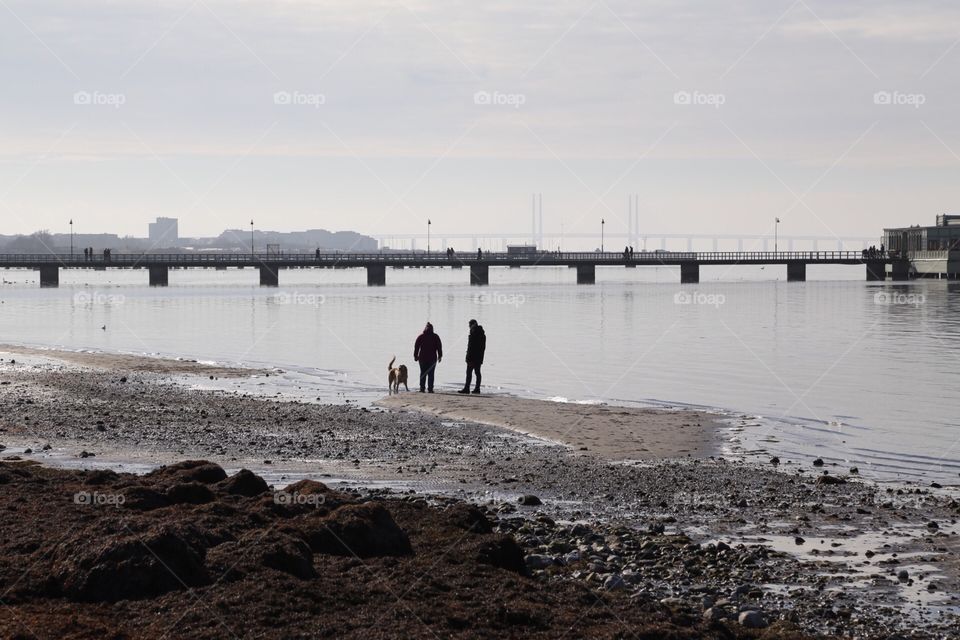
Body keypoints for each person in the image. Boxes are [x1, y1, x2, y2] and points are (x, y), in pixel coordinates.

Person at [413, 322, 443, 393]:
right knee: (431, 374)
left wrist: (415, 356)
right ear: (432, 329)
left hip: (422, 358)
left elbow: (416, 347)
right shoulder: (436, 337)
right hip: (432, 359)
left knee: (423, 373)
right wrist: (440, 356)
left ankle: (422, 388)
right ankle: (430, 389)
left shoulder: (421, 336)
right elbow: (439, 347)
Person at [458, 319, 486, 395]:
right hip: (479, 357)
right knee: (477, 373)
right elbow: (482, 348)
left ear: (472, 325)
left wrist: (468, 358)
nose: (469, 327)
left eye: (470, 325)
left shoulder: (474, 333)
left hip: (473, 357)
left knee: (469, 373)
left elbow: (471, 347)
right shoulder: (482, 334)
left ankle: (467, 388)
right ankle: (477, 388)